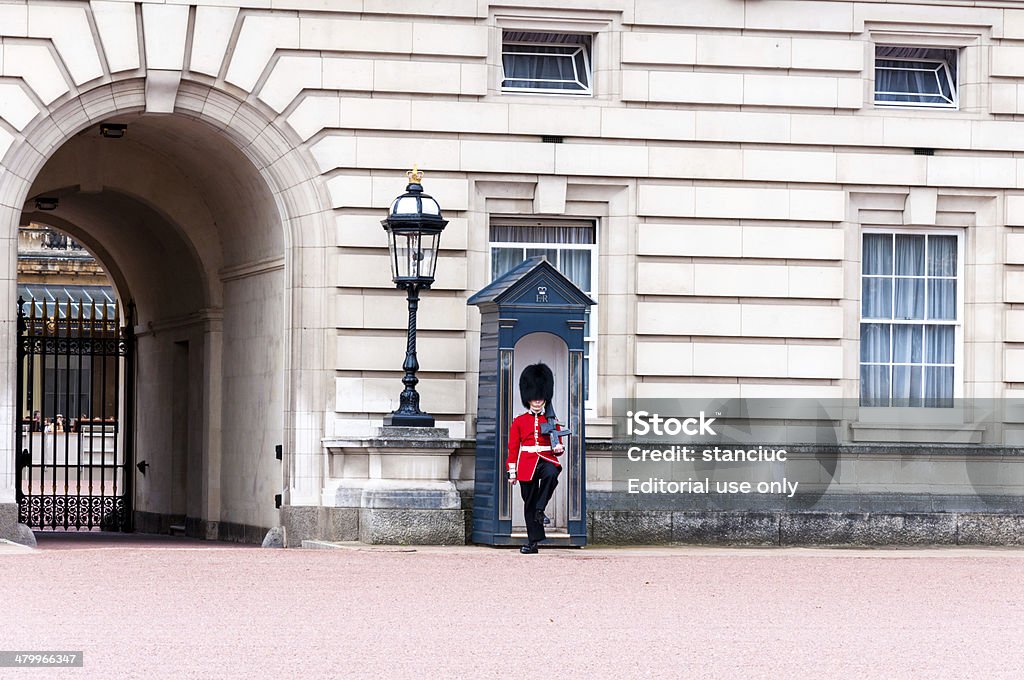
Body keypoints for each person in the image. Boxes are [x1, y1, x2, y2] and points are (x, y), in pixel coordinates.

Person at [507, 362, 564, 554]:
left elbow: (559, 446)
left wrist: (558, 448)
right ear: (528, 399)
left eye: (540, 398)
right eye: (534, 398)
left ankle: (541, 509)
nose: (537, 401)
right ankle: (533, 543)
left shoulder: (552, 420)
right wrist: (512, 472)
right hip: (526, 463)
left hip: (547, 459)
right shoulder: (519, 421)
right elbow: (513, 448)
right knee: (529, 503)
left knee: (551, 474)